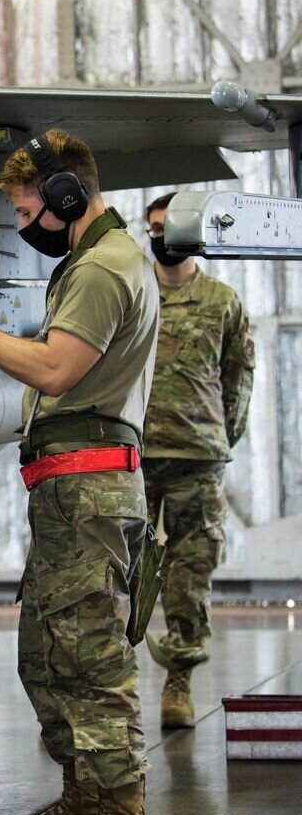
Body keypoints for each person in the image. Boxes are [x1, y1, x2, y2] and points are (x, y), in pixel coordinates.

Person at [0, 130, 157, 815]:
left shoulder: (103, 268)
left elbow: (55, 370)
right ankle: (86, 799)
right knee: (49, 660)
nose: (24, 227)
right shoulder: (98, 262)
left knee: (90, 661)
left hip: (88, 491)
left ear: (67, 196)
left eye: (27, 212)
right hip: (69, 492)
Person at [141, 192, 254, 729]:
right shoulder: (131, 295)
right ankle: (103, 691)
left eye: (170, 227)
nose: (162, 237)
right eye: (154, 229)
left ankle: (178, 683)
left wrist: (220, 436)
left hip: (197, 456)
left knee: (190, 574)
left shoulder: (222, 301)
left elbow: (239, 377)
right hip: (132, 454)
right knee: (113, 570)